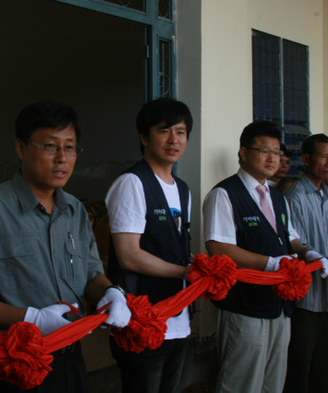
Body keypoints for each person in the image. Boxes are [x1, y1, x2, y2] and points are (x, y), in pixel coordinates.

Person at [0, 99, 131, 393]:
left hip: (70, 360)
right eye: (50, 146)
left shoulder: (76, 212)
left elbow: (91, 275)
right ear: (21, 148)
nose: (62, 158)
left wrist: (110, 293)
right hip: (12, 365)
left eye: (70, 147)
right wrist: (31, 319)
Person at [202, 120, 313, 393]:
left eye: (276, 152)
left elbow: (290, 238)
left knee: (273, 382)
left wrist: (310, 254)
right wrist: (271, 263)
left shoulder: (278, 197)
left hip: (279, 304)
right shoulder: (224, 194)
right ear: (243, 153)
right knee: (242, 382)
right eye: (263, 150)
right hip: (245, 306)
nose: (272, 158)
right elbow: (218, 247)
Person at [105, 98, 192, 393]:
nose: (173, 140)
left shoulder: (181, 188)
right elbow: (129, 256)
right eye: (164, 130)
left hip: (177, 318)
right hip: (142, 318)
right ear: (144, 137)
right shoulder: (132, 183)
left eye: (180, 132)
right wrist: (186, 272)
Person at [283, 134, 328, 393]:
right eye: (323, 157)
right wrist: (323, 259)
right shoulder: (295, 196)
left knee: (322, 363)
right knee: (300, 364)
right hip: (306, 297)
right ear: (306, 159)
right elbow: (295, 244)